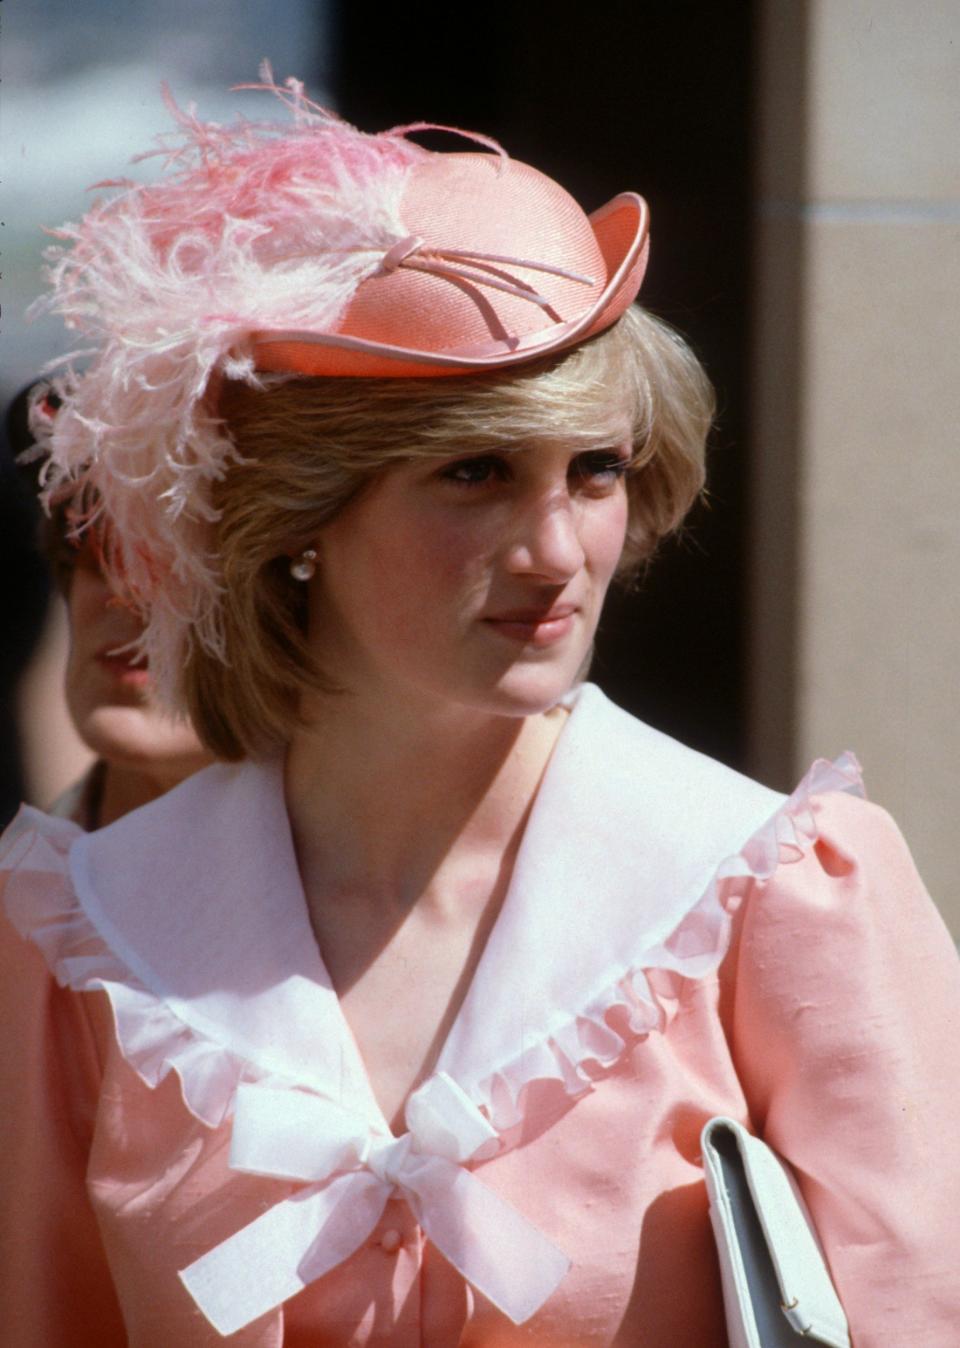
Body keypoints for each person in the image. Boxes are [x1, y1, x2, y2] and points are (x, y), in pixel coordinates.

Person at [1, 72, 958, 1347]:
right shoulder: (89, 934)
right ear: (302, 521)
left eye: (597, 471)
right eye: (476, 472)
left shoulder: (778, 889)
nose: (557, 548)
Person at [14, 389, 211, 829]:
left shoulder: (369, 895)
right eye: (96, 544)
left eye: (185, 561)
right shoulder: (17, 884)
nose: (125, 592)